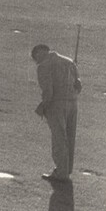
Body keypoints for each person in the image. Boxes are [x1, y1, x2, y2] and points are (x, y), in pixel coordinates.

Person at [31, 43, 83, 182]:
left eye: (36, 58)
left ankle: (61, 172)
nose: (37, 61)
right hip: (73, 103)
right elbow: (78, 86)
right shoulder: (69, 61)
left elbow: (48, 91)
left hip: (57, 105)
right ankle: (66, 170)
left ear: (39, 53)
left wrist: (43, 107)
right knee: (69, 137)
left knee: (59, 139)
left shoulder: (43, 66)